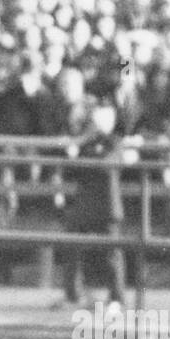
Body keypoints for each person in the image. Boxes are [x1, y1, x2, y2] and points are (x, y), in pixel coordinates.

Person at [60, 100, 128, 312]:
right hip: (83, 205)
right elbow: (72, 171)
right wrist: (73, 153)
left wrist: (81, 156)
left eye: (103, 117)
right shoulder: (86, 143)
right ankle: (73, 296)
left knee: (112, 256)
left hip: (107, 207)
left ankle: (117, 299)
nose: (97, 121)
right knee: (72, 249)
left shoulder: (115, 142)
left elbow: (107, 164)